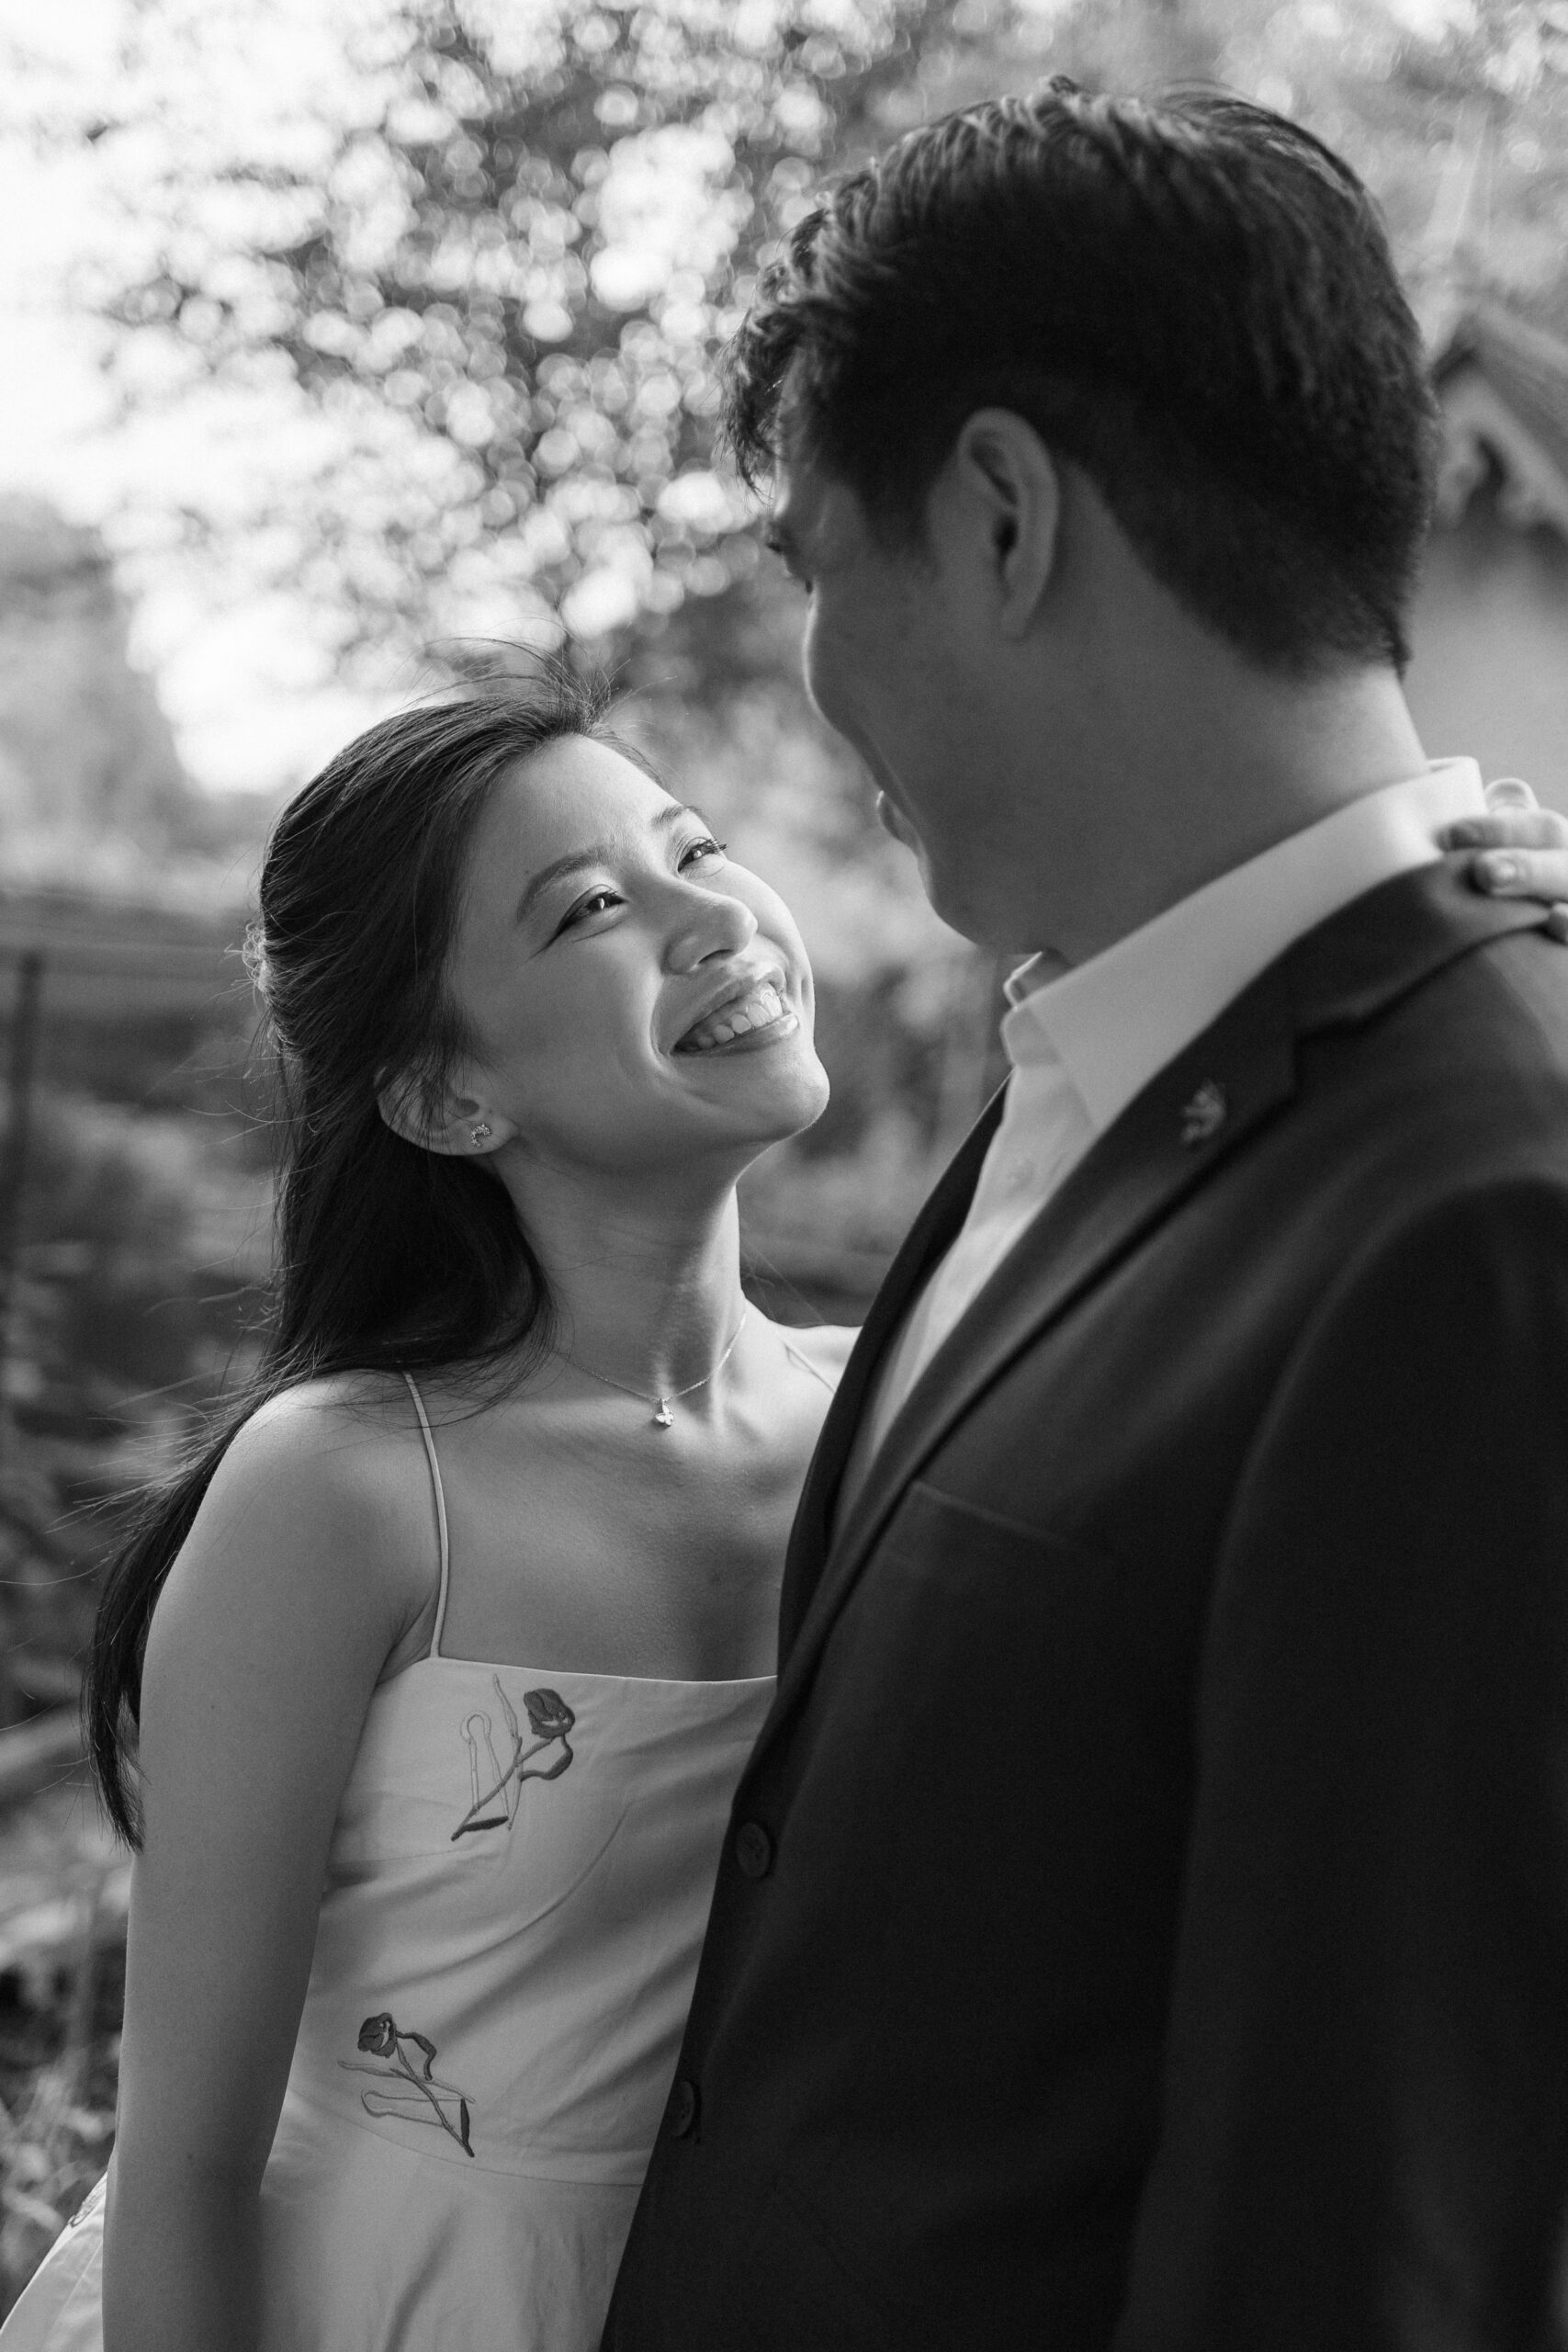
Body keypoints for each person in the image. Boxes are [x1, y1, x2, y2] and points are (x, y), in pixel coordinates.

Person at [602, 84, 1568, 2350]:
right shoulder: (1094, 1050)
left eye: (817, 566)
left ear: (1003, 513)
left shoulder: (1486, 1220)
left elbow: (1359, 2251)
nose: (820, 684)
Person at [0, 668, 852, 2352]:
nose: (711, 919)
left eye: (697, 848)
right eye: (597, 907)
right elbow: (181, 2168)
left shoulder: (889, 1411)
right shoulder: (348, 1491)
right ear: (450, 1095)